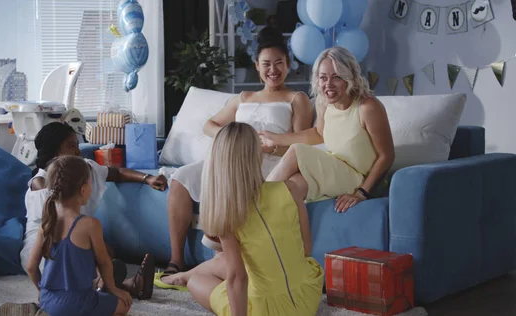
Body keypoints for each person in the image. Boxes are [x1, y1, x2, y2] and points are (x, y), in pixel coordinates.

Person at [158, 26, 314, 281]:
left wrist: (270, 146)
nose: (272, 70)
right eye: (266, 64)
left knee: (235, 181)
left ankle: (220, 247)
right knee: (181, 178)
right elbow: (209, 125)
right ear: (256, 65)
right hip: (229, 159)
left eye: (279, 63)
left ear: (288, 65)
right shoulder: (244, 97)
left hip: (267, 163)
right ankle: (176, 259)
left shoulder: (297, 98)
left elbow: (300, 143)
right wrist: (234, 141)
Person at [164, 122, 325, 315]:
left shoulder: (226, 213)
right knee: (237, 261)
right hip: (306, 295)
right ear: (258, 156)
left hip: (266, 310)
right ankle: (184, 275)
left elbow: (238, 278)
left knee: (197, 282)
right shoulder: (290, 189)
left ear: (218, 161)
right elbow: (305, 249)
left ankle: (186, 277)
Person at [21, 122, 166, 299]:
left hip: (76, 232)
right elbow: (58, 226)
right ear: (55, 150)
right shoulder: (42, 182)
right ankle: (110, 285)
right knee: (83, 256)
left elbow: (117, 173)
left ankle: (113, 285)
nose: (77, 150)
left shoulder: (83, 168)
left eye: (77, 144)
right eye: (71, 146)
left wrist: (147, 178)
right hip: (46, 242)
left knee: (105, 251)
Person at [262, 46, 395, 212]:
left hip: (360, 180)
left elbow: (387, 156)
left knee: (296, 151)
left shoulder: (368, 107)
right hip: (335, 172)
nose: (328, 85)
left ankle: (252, 209)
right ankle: (261, 230)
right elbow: (318, 134)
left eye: (336, 77)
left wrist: (361, 193)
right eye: (323, 78)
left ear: (350, 77)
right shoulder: (323, 103)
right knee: (294, 185)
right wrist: (276, 138)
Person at [26, 155, 138, 315]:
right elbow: (104, 262)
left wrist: (42, 292)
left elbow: (31, 267)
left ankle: (42, 311)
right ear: (83, 189)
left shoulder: (46, 224)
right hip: (79, 301)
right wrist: (113, 289)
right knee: (124, 305)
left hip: (48, 300)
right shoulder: (90, 225)